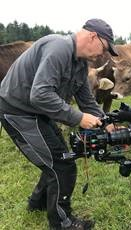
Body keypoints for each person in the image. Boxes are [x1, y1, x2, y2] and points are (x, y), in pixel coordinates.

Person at [0, 18, 119, 230]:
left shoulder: (81, 64)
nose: (103, 54)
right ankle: (62, 223)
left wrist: (106, 123)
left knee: (60, 157)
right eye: (104, 47)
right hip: (17, 111)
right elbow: (40, 94)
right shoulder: (59, 48)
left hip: (36, 112)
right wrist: (78, 118)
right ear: (93, 36)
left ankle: (36, 204)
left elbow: (87, 100)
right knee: (62, 165)